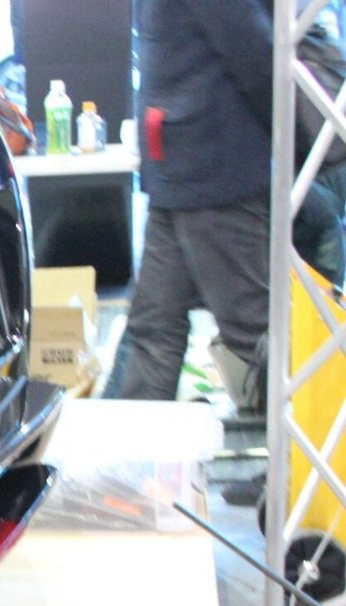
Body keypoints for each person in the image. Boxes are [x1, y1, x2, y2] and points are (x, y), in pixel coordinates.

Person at [104, 0, 274, 409]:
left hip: (202, 164)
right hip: (196, 165)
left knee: (249, 333)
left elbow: (253, 53)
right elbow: (256, 53)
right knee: (163, 330)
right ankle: (129, 450)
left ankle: (316, 435)